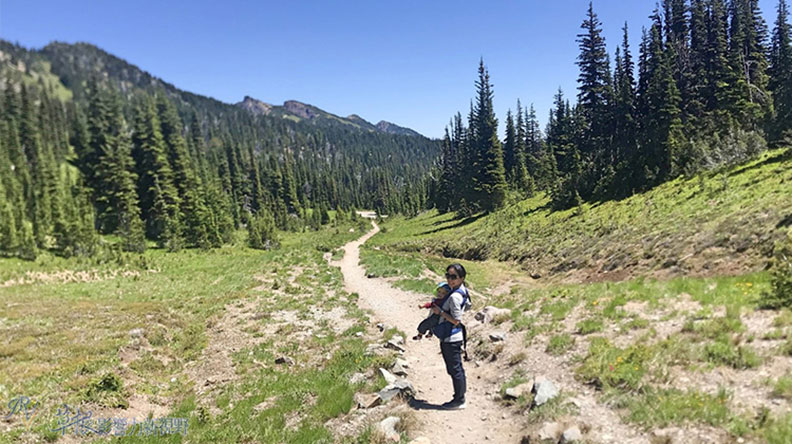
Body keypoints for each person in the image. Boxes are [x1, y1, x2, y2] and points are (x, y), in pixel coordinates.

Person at [432, 263, 470, 410]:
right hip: (455, 336)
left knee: (454, 369)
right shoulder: (462, 291)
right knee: (457, 368)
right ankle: (459, 397)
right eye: (448, 276)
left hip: (451, 337)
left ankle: (459, 400)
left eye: (454, 277)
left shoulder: (454, 296)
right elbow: (468, 305)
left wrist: (440, 313)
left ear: (462, 278)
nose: (450, 280)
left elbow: (456, 320)